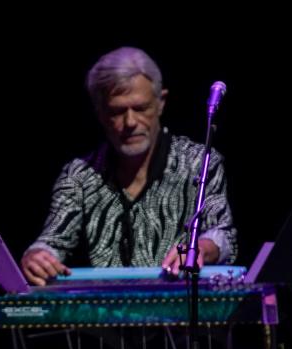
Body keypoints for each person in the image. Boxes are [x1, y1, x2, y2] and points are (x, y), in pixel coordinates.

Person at [21, 46, 237, 286]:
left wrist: (200, 248)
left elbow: (223, 235)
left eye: (141, 108)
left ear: (161, 103)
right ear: (100, 113)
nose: (130, 122)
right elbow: (52, 242)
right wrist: (37, 256)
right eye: (117, 111)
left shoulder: (198, 162)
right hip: (105, 316)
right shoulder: (79, 175)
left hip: (181, 313)